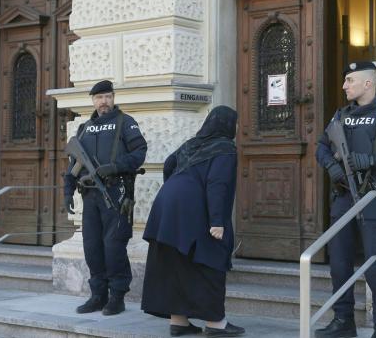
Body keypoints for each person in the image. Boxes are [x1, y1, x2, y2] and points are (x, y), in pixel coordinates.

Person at [315, 62, 376, 338]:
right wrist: (332, 168)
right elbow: (322, 147)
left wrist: (371, 160)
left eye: (350, 80)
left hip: (372, 196)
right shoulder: (341, 115)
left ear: (368, 83)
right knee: (339, 262)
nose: (345, 86)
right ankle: (343, 321)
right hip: (344, 197)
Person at [141, 105, 245, 337]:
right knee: (210, 261)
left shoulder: (192, 144)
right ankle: (216, 324)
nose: (237, 127)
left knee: (176, 263)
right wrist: (217, 221)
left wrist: (178, 190)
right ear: (226, 124)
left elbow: (169, 163)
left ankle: (178, 321)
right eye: (235, 122)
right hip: (194, 208)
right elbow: (218, 184)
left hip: (167, 205)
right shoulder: (225, 149)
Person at [63, 80, 147, 316]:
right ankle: (97, 295)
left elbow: (140, 153)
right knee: (92, 247)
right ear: (93, 100)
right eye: (99, 98)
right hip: (90, 196)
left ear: (113, 98)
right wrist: (68, 190)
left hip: (116, 192)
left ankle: (117, 297)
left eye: (108, 97)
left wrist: (116, 166)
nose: (104, 102)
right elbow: (74, 165)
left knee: (114, 247)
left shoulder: (125, 123)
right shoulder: (85, 127)